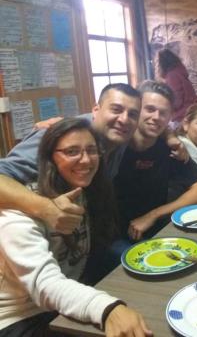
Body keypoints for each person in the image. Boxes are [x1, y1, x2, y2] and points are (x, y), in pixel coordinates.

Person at [0, 118, 152, 336]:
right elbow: (46, 285)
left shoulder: (84, 194)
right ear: (50, 157)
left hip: (63, 305)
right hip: (20, 319)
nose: (85, 160)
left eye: (91, 150)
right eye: (72, 152)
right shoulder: (19, 213)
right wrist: (107, 308)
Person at [0, 83, 141, 235]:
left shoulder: (120, 136)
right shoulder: (62, 136)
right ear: (96, 110)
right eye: (116, 110)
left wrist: (169, 136)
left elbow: (153, 124)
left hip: (82, 238)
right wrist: (46, 208)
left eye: (133, 114)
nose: (124, 119)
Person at [114, 80, 197, 244]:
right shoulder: (115, 141)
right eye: (150, 109)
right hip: (113, 238)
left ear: (170, 117)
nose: (156, 117)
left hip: (157, 233)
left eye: (163, 113)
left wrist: (153, 215)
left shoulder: (171, 148)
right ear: (136, 110)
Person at [155, 48, 197, 128]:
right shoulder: (179, 72)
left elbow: (177, 101)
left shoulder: (172, 76)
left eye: (157, 62)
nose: (156, 65)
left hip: (181, 117)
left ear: (163, 63)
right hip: (190, 113)